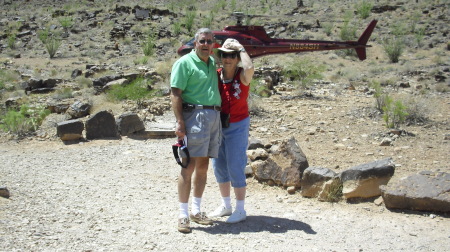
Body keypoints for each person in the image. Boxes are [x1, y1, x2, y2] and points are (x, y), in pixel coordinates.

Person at [170, 28, 222, 233]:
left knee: (203, 166)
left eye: (209, 41)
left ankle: (196, 210)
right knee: (188, 166)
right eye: (202, 41)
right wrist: (180, 122)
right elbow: (175, 93)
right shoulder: (184, 63)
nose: (206, 44)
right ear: (194, 43)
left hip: (213, 117)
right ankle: (183, 215)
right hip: (195, 117)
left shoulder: (211, 62)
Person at [209, 38, 254, 223]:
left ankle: (240, 209)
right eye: (225, 55)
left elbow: (250, 68)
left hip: (237, 126)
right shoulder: (216, 74)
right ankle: (226, 205)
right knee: (219, 166)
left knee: (235, 165)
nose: (228, 59)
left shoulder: (242, 75)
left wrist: (241, 48)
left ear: (237, 58)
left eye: (232, 55)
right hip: (218, 125)